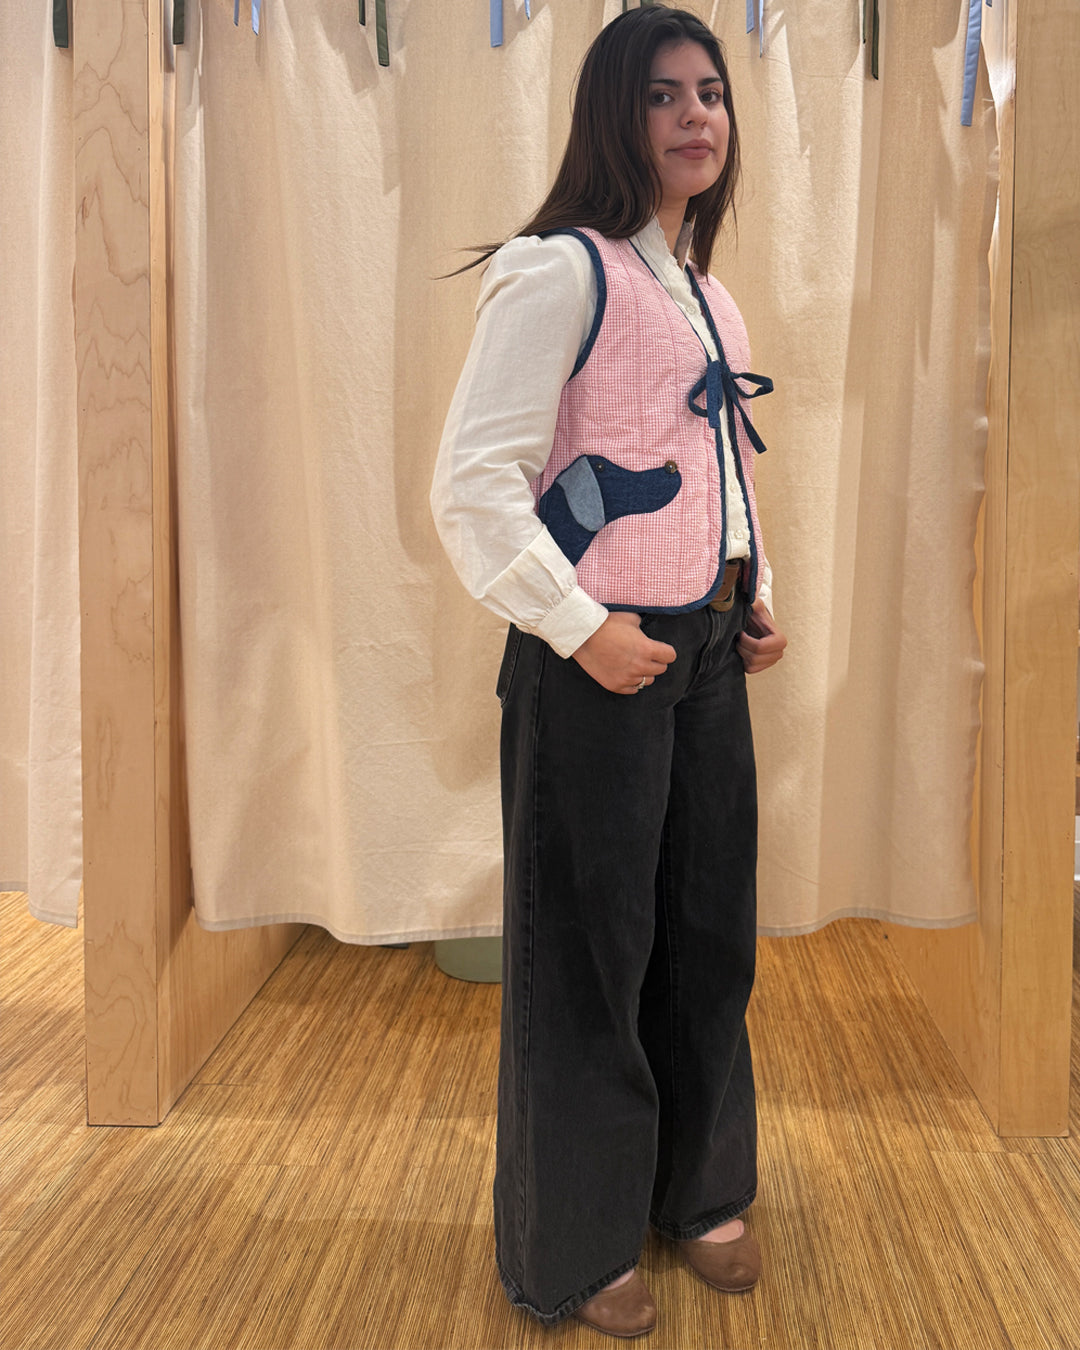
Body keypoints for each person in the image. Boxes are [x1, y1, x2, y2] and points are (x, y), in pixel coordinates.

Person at [431, 6, 787, 1338]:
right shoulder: (557, 271)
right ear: (612, 115)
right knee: (590, 947)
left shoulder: (707, 291)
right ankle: (574, 1240)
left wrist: (755, 588)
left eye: (713, 93)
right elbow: (474, 485)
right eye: (664, 95)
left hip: (706, 650)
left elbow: (715, 463)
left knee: (706, 930)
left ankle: (698, 1188)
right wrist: (579, 624)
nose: (698, 116)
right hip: (598, 657)